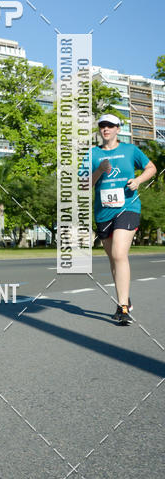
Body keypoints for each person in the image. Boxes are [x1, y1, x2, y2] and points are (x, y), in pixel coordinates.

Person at [91, 114, 156, 324]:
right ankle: (124, 295)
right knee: (113, 259)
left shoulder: (130, 150)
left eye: (110, 125)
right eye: (102, 125)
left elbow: (151, 168)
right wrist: (100, 170)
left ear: (118, 129)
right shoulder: (93, 153)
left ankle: (123, 308)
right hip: (103, 212)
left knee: (120, 254)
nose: (106, 129)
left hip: (128, 207)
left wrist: (138, 180)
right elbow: (85, 185)